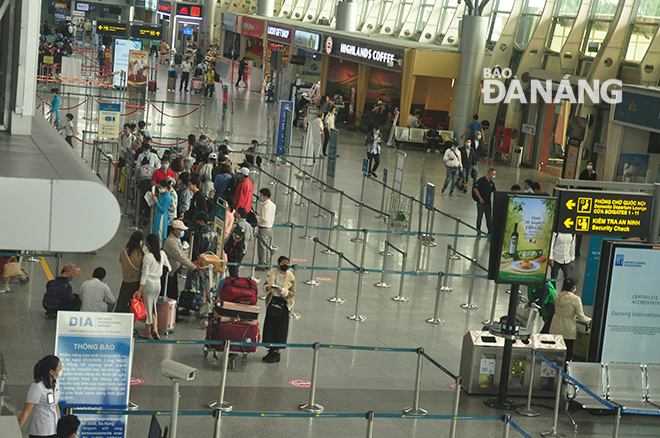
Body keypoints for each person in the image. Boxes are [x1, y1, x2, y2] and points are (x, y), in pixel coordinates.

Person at [134, 234, 171, 339]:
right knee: (154, 307)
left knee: (148, 308)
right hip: (158, 284)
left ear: (148, 244)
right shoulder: (162, 254)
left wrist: (139, 290)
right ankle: (155, 328)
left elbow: (144, 274)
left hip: (148, 285)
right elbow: (169, 268)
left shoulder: (147, 257)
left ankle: (148, 333)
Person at [18, 355, 63, 437]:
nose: (61, 369)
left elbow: (55, 404)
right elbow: (26, 411)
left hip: (54, 428)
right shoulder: (37, 386)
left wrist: (59, 423)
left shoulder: (56, 382)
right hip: (40, 431)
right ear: (51, 371)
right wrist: (16, 429)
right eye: (59, 367)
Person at [262, 256, 296, 363]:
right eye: (283, 263)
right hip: (272, 302)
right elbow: (265, 286)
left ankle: (278, 353)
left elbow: (292, 293)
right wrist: (267, 288)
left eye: (287, 263)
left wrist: (283, 291)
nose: (285, 264)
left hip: (283, 303)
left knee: (281, 329)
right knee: (270, 327)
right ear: (278, 264)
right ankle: (271, 350)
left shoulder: (291, 277)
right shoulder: (272, 274)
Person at [549, 278, 591, 362]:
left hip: (555, 327)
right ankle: (564, 373)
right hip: (567, 330)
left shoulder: (557, 296)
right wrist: (589, 320)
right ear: (573, 287)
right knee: (566, 356)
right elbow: (581, 317)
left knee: (554, 354)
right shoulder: (576, 299)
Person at [163, 220, 198, 302]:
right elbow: (180, 257)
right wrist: (193, 267)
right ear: (175, 230)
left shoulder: (177, 239)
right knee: (172, 293)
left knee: (174, 292)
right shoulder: (170, 242)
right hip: (169, 272)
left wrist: (191, 264)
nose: (183, 232)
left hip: (173, 271)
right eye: (181, 230)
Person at [185, 213, 218, 292]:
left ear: (202, 221)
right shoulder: (215, 233)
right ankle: (204, 300)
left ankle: (191, 298)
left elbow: (196, 249)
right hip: (210, 260)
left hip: (199, 261)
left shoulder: (199, 234)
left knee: (193, 282)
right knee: (205, 283)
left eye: (198, 222)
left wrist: (193, 263)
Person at [116, 232, 145, 313]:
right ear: (139, 241)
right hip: (136, 282)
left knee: (122, 304)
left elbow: (120, 260)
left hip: (125, 281)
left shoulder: (124, 251)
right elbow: (143, 266)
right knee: (132, 306)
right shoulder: (140, 253)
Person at [226, 207, 253, 278]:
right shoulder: (249, 226)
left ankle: (234, 282)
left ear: (239, 215)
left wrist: (224, 244)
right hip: (243, 250)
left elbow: (229, 237)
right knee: (237, 266)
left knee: (232, 268)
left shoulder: (235, 225)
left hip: (233, 250)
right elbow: (251, 238)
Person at [255, 188, 276, 271]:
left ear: (265, 196)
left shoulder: (266, 206)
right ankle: (267, 263)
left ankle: (261, 264)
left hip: (263, 228)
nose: (260, 197)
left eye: (261, 195)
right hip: (270, 228)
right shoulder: (272, 205)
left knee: (262, 247)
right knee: (267, 247)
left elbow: (264, 218)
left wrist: (256, 217)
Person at [473, 168, 497, 235]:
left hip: (488, 204)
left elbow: (494, 191)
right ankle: (478, 230)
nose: (494, 176)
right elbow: (475, 189)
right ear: (490, 174)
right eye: (493, 174)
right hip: (481, 203)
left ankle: (490, 231)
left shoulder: (491, 183)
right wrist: (480, 198)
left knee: (489, 218)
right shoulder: (481, 180)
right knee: (479, 217)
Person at [152, 179, 173, 246]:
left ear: (165, 188)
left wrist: (156, 202)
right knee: (155, 230)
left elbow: (163, 209)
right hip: (158, 215)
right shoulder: (163, 194)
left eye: (160, 187)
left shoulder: (167, 197)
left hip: (162, 216)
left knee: (160, 233)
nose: (159, 189)